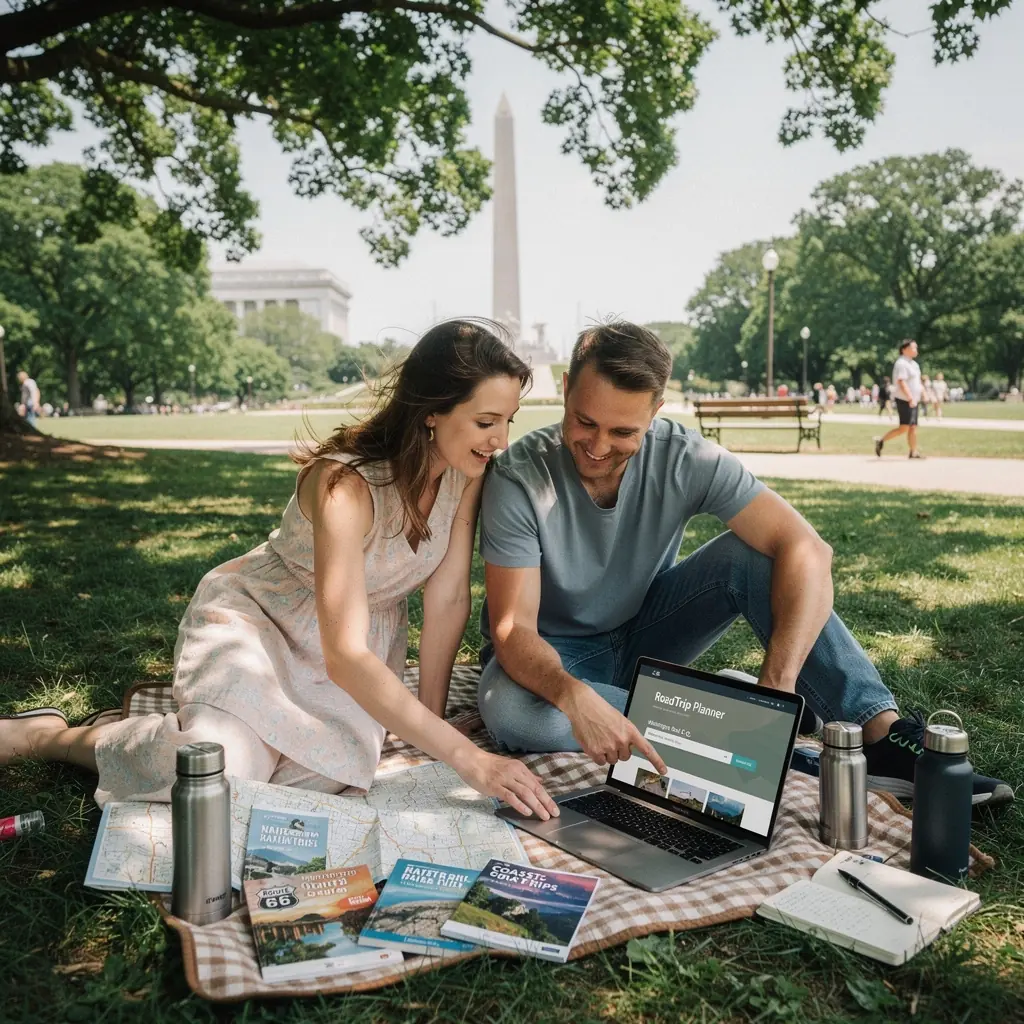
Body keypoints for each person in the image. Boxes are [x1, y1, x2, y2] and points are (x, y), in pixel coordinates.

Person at [1, 320, 558, 822]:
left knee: (311, 785)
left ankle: (202, 733)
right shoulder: (345, 485)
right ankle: (55, 737)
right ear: (431, 410)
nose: (501, 441)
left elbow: (445, 603)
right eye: (486, 421)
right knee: (219, 776)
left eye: (507, 421)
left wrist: (429, 730)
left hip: (351, 652)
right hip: (261, 625)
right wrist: (468, 758)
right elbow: (347, 656)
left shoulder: (469, 472)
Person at [476, 322, 1012, 808]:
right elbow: (513, 629)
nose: (596, 446)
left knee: (759, 554)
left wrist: (779, 683)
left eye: (623, 433)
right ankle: (771, 747)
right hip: (556, 654)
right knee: (514, 711)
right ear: (566, 388)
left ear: (656, 412)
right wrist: (575, 697)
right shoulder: (519, 477)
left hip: (647, 632)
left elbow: (809, 550)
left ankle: (880, 736)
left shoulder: (685, 456)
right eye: (584, 421)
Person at [875, 339, 923, 459]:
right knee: (905, 427)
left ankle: (913, 451)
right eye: (913, 348)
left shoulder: (914, 364)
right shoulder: (901, 363)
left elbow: (917, 382)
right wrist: (909, 397)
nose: (916, 350)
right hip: (905, 399)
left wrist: (924, 394)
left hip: (913, 399)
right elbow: (901, 381)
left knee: (912, 426)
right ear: (904, 349)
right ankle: (881, 441)